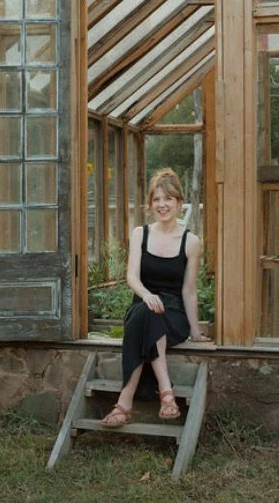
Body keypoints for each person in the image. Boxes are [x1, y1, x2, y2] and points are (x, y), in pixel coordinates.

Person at [100, 168, 209, 427]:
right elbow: (132, 277)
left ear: (180, 203)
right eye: (157, 199)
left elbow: (189, 289)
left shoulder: (191, 242)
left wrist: (195, 331)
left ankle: (124, 404)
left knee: (149, 319)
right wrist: (147, 296)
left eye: (168, 199)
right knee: (145, 314)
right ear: (150, 204)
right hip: (143, 306)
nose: (162, 205)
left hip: (174, 315)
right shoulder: (141, 233)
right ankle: (166, 393)